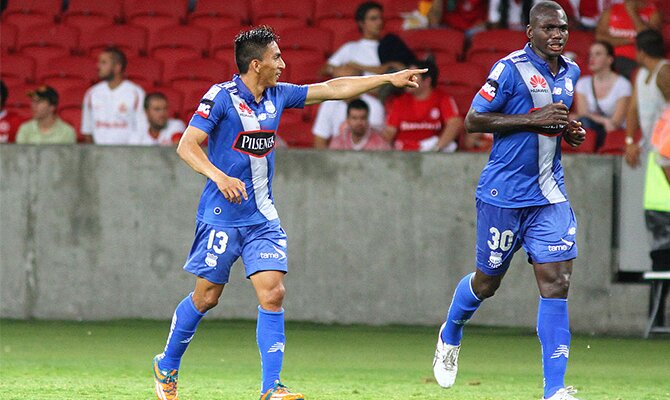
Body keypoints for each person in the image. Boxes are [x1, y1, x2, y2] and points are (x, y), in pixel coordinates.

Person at [151, 25, 425, 400]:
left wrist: (389, 78)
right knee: (206, 297)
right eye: (276, 57)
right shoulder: (220, 97)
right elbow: (187, 145)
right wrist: (219, 176)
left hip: (262, 218)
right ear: (255, 64)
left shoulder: (278, 95)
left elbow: (332, 89)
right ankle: (166, 363)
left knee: (273, 293)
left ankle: (271, 387)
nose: (283, 63)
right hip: (221, 216)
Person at [431, 2, 586, 400]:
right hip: (503, 195)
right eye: (549, 28)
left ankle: (555, 389)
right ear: (530, 32)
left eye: (563, 28)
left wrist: (567, 131)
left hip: (549, 194)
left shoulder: (570, 72)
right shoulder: (509, 68)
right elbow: (473, 121)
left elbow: (554, 121)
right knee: (487, 282)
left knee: (557, 282)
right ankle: (451, 331)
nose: (558, 35)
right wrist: (532, 120)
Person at [623, 29, 670, 323]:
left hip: (663, 153)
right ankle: (657, 314)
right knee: (660, 242)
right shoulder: (642, 76)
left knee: (661, 242)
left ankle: (657, 315)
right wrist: (629, 140)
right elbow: (632, 108)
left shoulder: (665, 74)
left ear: (640, 50)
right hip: (656, 155)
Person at [384, 59, 463, 152]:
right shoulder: (399, 101)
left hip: (433, 153)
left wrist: (436, 148)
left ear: (427, 81)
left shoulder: (443, 98)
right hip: (404, 154)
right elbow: (389, 132)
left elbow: (455, 123)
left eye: (413, 77)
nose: (407, 79)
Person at [321, 1, 409, 78]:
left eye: (381, 18)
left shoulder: (390, 46)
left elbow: (398, 70)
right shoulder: (350, 47)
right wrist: (336, 71)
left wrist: (357, 67)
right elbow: (324, 70)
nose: (379, 22)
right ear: (361, 23)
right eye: (373, 19)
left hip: (372, 96)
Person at [81, 47, 146, 145]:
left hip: (128, 154)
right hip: (99, 155)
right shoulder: (92, 93)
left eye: (103, 63)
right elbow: (87, 130)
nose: (98, 66)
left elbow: (142, 128)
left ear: (117, 67)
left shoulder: (136, 93)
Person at [573, 41, 632, 150]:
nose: (592, 58)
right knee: (583, 123)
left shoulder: (623, 85)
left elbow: (616, 122)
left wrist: (591, 117)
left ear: (610, 60)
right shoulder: (583, 83)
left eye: (598, 54)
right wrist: (604, 120)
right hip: (591, 127)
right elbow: (583, 114)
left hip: (614, 131)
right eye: (591, 54)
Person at [595, 0, 662, 79]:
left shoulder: (652, 12)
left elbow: (648, 38)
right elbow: (599, 37)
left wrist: (632, 12)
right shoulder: (611, 10)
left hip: (642, 59)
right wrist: (631, 40)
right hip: (615, 59)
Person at [312, 93, 385, 149]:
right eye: (354, 118)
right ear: (347, 120)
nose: (359, 122)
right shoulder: (338, 142)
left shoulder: (380, 143)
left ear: (367, 119)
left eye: (362, 118)